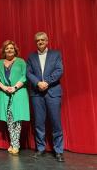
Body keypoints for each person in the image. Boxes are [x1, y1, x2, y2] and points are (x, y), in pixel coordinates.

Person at [26, 32, 64, 162]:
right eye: (38, 40)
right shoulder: (31, 57)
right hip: (37, 93)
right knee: (39, 122)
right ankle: (41, 148)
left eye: (42, 40)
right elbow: (28, 73)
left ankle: (58, 151)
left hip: (53, 92)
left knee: (56, 122)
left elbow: (59, 70)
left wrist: (46, 82)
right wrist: (38, 83)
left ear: (47, 41)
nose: (40, 42)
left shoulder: (56, 54)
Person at [0, 40, 30, 155]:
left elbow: (24, 76)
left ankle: (16, 145)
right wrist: (4, 88)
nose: (9, 50)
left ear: (15, 50)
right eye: (7, 48)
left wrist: (14, 87)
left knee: (17, 120)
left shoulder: (21, 62)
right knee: (9, 119)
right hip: (4, 94)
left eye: (11, 48)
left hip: (18, 93)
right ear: (4, 51)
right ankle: (13, 143)